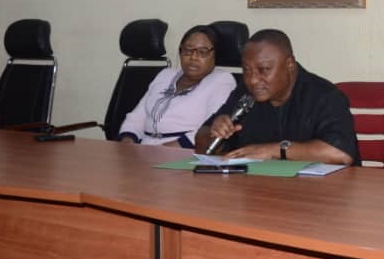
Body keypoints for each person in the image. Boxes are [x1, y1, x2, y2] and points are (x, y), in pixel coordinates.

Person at [195, 29, 359, 165]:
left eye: (264, 70)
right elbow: (201, 141)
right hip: (258, 190)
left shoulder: (324, 96)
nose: (252, 80)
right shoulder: (245, 94)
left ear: (289, 64)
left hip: (319, 196)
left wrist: (275, 150)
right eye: (246, 70)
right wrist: (214, 131)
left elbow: (341, 154)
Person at [117, 25, 235, 148]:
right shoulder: (165, 75)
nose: (193, 57)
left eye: (203, 52)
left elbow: (211, 127)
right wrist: (128, 141)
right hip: (144, 148)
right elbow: (138, 116)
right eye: (188, 50)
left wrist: (166, 148)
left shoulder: (222, 80)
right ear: (180, 51)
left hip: (185, 151)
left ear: (216, 54)